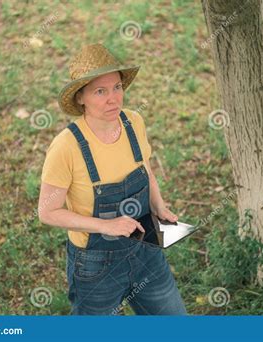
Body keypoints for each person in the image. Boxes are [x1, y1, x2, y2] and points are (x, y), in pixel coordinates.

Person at [38, 44, 187, 315]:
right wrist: (104, 225)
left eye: (117, 87)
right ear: (80, 97)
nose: (113, 99)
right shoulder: (66, 146)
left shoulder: (133, 122)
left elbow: (146, 171)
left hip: (146, 251)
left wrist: (159, 206)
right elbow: (47, 212)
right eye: (100, 91)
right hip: (96, 266)